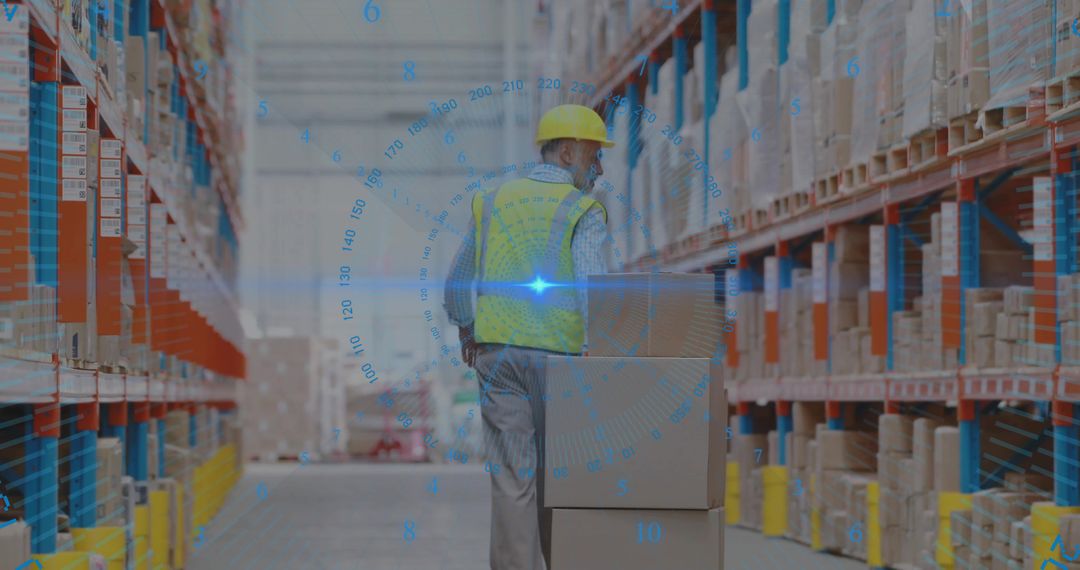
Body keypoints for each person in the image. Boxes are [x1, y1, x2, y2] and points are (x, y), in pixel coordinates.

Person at [443, 104, 613, 570]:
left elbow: (457, 281)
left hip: (498, 361)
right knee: (561, 479)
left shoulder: (491, 200)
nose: (598, 168)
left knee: (513, 480)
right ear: (565, 152)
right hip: (561, 365)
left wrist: (466, 327)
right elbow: (591, 288)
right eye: (593, 156)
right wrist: (599, 353)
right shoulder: (583, 209)